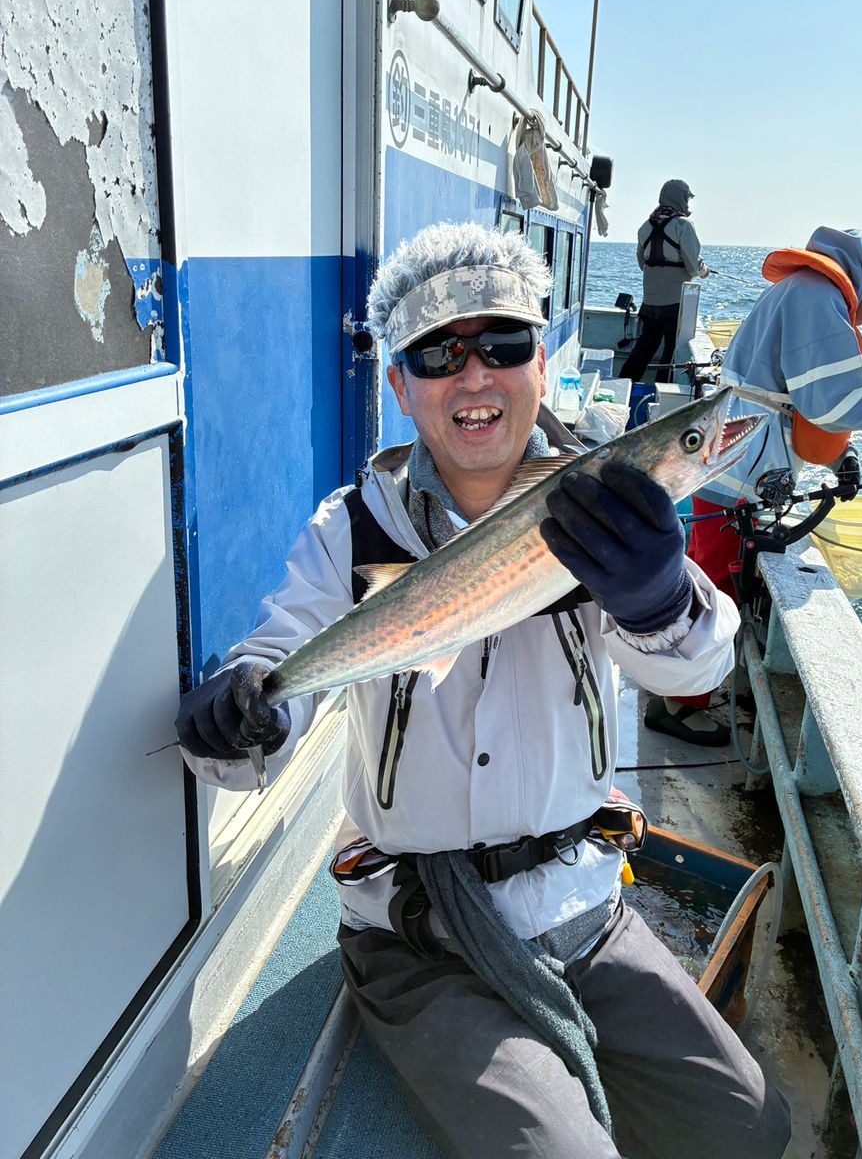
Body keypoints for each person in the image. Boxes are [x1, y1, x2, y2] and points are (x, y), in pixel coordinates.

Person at [176, 222, 791, 1159]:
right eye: (437, 353)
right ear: (400, 388)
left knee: (748, 1127)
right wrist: (241, 710)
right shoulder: (352, 532)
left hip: (582, 909)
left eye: (503, 344)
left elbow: (698, 667)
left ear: (541, 366)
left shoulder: (611, 511)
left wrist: (661, 596)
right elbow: (283, 657)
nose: (473, 376)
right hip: (418, 937)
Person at [644, 227, 862, 746]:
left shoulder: (809, 290)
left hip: (734, 458)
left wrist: (840, 454)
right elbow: (836, 403)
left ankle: (696, 683)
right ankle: (676, 705)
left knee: (715, 580)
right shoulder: (820, 298)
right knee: (713, 584)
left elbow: (797, 393)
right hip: (738, 468)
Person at [620, 179, 710, 383]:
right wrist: (704, 271)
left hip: (649, 304)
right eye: (687, 199)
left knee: (643, 351)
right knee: (671, 354)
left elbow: (642, 263)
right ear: (681, 199)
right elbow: (693, 267)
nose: (687, 204)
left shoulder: (646, 226)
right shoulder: (683, 225)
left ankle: (622, 385)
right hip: (675, 305)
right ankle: (661, 393)